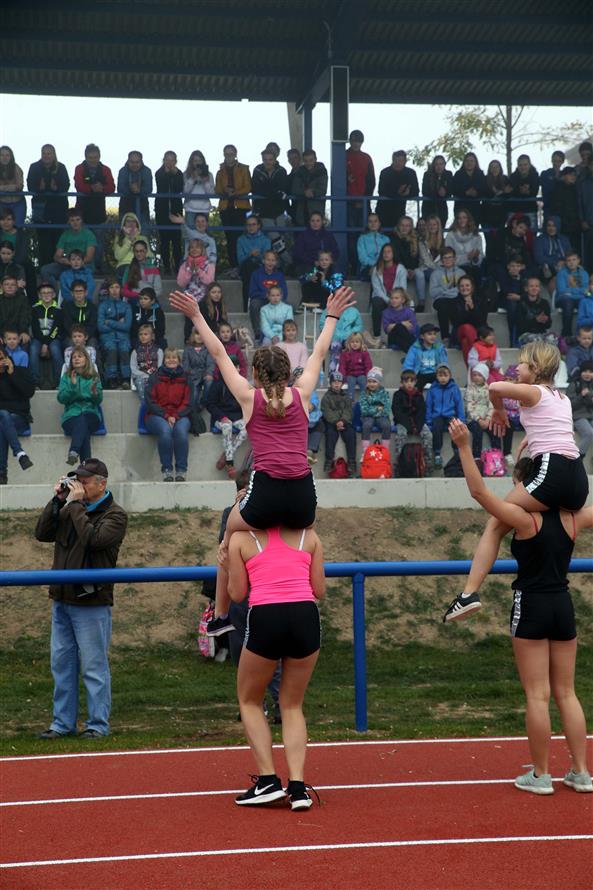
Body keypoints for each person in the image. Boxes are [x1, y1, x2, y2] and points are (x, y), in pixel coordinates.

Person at [169, 284, 355, 634]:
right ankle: (303, 595)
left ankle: (221, 615)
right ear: (288, 373)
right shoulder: (302, 395)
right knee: (302, 537)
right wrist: (331, 316)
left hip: (267, 492)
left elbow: (220, 354)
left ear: (256, 374)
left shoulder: (248, 397)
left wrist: (196, 315)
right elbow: (318, 353)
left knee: (229, 536)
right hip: (303, 498)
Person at [447, 418, 593, 796]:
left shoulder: (523, 519)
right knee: (567, 693)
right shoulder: (573, 519)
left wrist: (464, 448)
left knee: (537, 695)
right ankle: (581, 772)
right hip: (563, 604)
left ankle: (541, 775)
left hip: (531, 604)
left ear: (526, 485)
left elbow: (480, 494)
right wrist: (561, 449)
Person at [444, 340, 589, 622]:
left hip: (554, 471)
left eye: (521, 364)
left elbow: (494, 388)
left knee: (495, 525)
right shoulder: (563, 398)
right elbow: (556, 432)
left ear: (534, 368)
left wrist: (498, 410)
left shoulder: (534, 391)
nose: (516, 369)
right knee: (548, 523)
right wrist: (528, 443)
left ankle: (469, 594)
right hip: (577, 479)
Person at [228, 521, 325, 809]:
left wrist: (226, 563)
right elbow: (319, 589)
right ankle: (298, 788)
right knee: (292, 704)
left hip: (266, 615)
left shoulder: (242, 539)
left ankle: (268, 780)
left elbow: (236, 593)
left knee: (249, 700)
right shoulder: (309, 535)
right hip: (305, 616)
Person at [34, 458, 128, 739]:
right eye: (78, 480)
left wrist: (74, 506)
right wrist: (56, 501)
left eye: (85, 481)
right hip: (62, 599)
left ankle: (97, 726)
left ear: (102, 484)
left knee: (93, 667)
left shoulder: (115, 515)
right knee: (61, 666)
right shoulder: (70, 508)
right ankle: (62, 724)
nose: (80, 486)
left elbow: (93, 540)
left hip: (92, 602)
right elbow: (41, 533)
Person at [144, 347, 191, 482]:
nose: (171, 360)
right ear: (163, 360)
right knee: (165, 432)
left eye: (174, 357)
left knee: (181, 432)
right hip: (156, 415)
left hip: (181, 415)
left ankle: (181, 471)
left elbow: (188, 402)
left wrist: (175, 416)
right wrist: (166, 416)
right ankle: (167, 470)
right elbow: (150, 401)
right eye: (168, 357)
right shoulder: (155, 377)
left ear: (179, 360)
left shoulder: (186, 378)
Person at [74, 143, 115, 272]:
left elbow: (112, 188)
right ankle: (81, 267)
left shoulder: (105, 170)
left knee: (98, 244)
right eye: (90, 157)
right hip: (82, 213)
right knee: (82, 242)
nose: (93, 160)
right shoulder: (79, 169)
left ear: (99, 156)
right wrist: (92, 188)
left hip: (99, 214)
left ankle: (97, 267)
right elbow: (79, 186)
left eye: (95, 157)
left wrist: (101, 189)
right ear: (85, 157)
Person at [27, 144, 70, 266]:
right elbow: (30, 186)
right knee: (43, 243)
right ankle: (43, 269)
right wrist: (39, 188)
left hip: (58, 211)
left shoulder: (61, 167)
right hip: (41, 212)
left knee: (58, 242)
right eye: (44, 153)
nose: (46, 156)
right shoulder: (34, 167)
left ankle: (58, 269)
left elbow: (66, 185)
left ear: (54, 154)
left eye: (49, 153)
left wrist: (56, 188)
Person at [58, 346, 103, 464]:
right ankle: (86, 468)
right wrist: (72, 387)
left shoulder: (94, 377)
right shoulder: (66, 377)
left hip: (91, 415)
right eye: (74, 357)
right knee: (83, 428)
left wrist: (94, 393)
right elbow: (61, 398)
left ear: (86, 359)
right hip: (71, 417)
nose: (76, 359)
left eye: (80, 356)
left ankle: (74, 450)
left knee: (83, 418)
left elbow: (98, 400)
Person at [206, 355, 247, 479]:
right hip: (220, 418)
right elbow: (210, 404)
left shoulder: (242, 384)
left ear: (239, 368)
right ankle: (230, 463)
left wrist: (246, 416)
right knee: (227, 426)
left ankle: (227, 454)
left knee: (247, 428)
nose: (233, 369)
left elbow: (247, 403)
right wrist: (222, 416)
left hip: (237, 417)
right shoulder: (217, 384)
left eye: (236, 367)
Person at [0, 344, 34, 483]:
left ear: (7, 358)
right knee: (3, 418)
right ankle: (20, 454)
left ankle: (2, 472)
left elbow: (28, 392)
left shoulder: (20, 372)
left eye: (1, 358)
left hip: (20, 418)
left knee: (3, 417)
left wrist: (12, 373)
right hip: (4, 419)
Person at [214, 144, 251, 272]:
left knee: (239, 237)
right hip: (226, 207)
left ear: (235, 154)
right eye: (226, 154)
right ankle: (233, 265)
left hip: (240, 207)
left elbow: (248, 187)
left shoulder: (244, 169)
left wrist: (235, 192)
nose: (228, 156)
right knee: (229, 237)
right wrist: (225, 190)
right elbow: (217, 188)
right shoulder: (220, 171)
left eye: (231, 154)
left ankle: (241, 265)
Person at [41, 208, 98, 290]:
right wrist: (62, 260)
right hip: (67, 264)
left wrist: (75, 262)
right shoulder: (65, 235)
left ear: (82, 220)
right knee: (45, 270)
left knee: (78, 274)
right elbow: (57, 255)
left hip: (84, 265)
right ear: (68, 222)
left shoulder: (89, 234)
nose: (75, 223)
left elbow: (89, 258)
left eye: (78, 220)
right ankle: (54, 296)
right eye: (72, 220)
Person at [392, 369, 433, 474]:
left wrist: (417, 426)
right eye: (406, 381)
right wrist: (408, 426)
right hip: (403, 422)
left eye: (411, 381)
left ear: (415, 382)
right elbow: (397, 412)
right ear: (402, 383)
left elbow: (421, 412)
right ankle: (398, 464)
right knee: (400, 435)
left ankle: (427, 465)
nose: (409, 384)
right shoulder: (398, 395)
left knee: (428, 435)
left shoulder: (419, 395)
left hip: (417, 422)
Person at [346, 130, 376, 273]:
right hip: (348, 203)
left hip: (363, 203)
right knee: (350, 236)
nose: (356, 143)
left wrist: (365, 199)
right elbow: (337, 179)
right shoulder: (343, 155)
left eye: (359, 140)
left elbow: (371, 181)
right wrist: (347, 183)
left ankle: (364, 265)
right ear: (350, 140)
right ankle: (353, 264)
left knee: (364, 235)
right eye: (354, 140)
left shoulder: (366, 158)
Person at [425, 363, 465, 468]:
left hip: (450, 414)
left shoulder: (454, 388)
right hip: (437, 415)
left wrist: (462, 420)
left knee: (455, 426)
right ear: (436, 376)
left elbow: (459, 404)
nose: (442, 378)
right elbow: (429, 406)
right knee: (436, 427)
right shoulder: (433, 389)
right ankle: (437, 453)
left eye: (445, 375)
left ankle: (457, 451)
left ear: (450, 376)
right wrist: (428, 421)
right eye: (440, 376)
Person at [177, 238, 216, 340]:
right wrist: (190, 271)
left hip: (204, 297)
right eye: (192, 247)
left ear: (202, 249)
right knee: (189, 312)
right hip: (189, 296)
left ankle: (208, 341)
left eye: (197, 247)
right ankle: (188, 342)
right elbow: (181, 282)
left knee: (203, 307)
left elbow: (209, 281)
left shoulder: (209, 264)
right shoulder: (184, 265)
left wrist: (198, 270)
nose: (194, 249)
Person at [97, 278, 132, 389]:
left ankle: (126, 379)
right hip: (107, 336)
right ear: (108, 290)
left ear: (120, 289)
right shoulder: (103, 306)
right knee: (112, 349)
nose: (114, 290)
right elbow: (101, 327)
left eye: (117, 287)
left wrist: (110, 322)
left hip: (123, 336)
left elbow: (127, 326)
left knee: (124, 349)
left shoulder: (126, 306)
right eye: (111, 287)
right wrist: (118, 324)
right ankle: (111, 379)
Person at [321, 371, 356, 476]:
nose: (336, 384)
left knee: (350, 434)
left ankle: (351, 461)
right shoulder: (326, 397)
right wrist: (336, 421)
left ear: (342, 383)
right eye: (334, 382)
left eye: (339, 382)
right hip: (332, 423)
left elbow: (348, 410)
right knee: (330, 434)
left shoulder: (346, 396)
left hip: (344, 422)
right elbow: (327, 412)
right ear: (330, 383)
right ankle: (329, 460)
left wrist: (343, 421)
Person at [248, 250, 288, 342]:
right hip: (262, 299)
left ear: (276, 262)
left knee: (287, 305)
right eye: (268, 260)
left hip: (276, 299)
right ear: (263, 261)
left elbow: (284, 292)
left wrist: (275, 297)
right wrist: (267, 295)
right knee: (254, 304)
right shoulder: (256, 274)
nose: (270, 262)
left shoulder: (279, 275)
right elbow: (252, 292)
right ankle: (258, 333)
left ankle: (282, 333)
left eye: (273, 260)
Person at [155, 150, 184, 274]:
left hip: (176, 210)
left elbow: (179, 189)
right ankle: (166, 266)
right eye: (167, 159)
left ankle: (178, 265)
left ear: (176, 161)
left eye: (172, 160)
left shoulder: (179, 174)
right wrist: (168, 174)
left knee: (177, 241)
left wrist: (174, 174)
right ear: (163, 160)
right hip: (162, 210)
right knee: (164, 240)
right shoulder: (159, 173)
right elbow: (161, 186)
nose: (170, 163)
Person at [428, 247, 466, 343]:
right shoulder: (435, 274)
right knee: (443, 305)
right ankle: (446, 337)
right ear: (441, 260)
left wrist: (444, 291)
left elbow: (463, 290)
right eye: (445, 258)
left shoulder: (461, 273)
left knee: (456, 304)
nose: (448, 260)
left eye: (450, 257)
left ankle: (455, 336)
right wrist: (448, 288)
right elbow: (432, 293)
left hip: (455, 298)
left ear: (454, 259)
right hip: (441, 300)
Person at [369, 243, 407, 337]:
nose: (386, 254)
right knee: (376, 302)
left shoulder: (401, 269)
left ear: (393, 254)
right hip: (382, 299)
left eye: (389, 252)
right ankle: (376, 335)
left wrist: (394, 300)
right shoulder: (376, 269)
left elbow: (403, 288)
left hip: (397, 298)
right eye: (384, 252)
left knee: (403, 306)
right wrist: (388, 300)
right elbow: (377, 290)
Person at [30, 282, 64, 387]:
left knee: (55, 349)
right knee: (33, 349)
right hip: (38, 338)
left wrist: (46, 343)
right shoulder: (35, 308)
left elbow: (56, 328)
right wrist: (43, 343)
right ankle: (35, 381)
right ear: (39, 295)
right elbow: (35, 329)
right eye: (43, 293)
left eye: (49, 292)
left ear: (54, 294)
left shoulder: (58, 310)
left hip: (53, 338)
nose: (46, 295)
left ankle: (59, 381)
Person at [377, 150, 419, 230]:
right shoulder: (385, 172)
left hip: (400, 211)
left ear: (405, 161)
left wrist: (407, 193)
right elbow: (381, 191)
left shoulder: (410, 173)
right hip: (383, 210)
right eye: (395, 160)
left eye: (400, 161)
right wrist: (397, 192)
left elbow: (416, 191)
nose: (398, 163)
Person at [451, 275, 489, 361]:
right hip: (460, 332)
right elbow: (456, 322)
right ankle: (481, 354)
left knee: (465, 343)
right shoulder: (453, 302)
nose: (464, 288)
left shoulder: (481, 300)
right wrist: (465, 310)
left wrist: (473, 309)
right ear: (458, 288)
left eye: (467, 285)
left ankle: (472, 371)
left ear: (472, 287)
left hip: (478, 333)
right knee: (467, 327)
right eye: (462, 286)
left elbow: (482, 321)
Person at [402, 322, 448, 391]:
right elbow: (408, 364)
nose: (433, 337)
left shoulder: (439, 347)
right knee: (415, 387)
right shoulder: (415, 348)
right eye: (429, 334)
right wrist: (410, 377)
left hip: (435, 373)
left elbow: (444, 363)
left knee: (448, 384)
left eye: (434, 334)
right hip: (420, 374)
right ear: (422, 336)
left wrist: (443, 374)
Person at [237, 216, 271, 311]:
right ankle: (247, 307)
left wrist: (257, 256)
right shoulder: (241, 240)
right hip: (246, 269)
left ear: (259, 225)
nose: (251, 227)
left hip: (260, 267)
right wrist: (250, 254)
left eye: (253, 224)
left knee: (253, 270)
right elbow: (240, 260)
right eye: (249, 225)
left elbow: (267, 259)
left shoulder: (265, 240)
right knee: (248, 266)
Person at [390, 215, 425, 305]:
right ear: (398, 226)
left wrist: (412, 269)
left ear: (411, 227)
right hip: (400, 268)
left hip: (413, 269)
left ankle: (421, 302)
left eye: (407, 225)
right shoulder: (393, 239)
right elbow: (395, 258)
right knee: (401, 270)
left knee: (420, 274)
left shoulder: (415, 239)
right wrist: (406, 269)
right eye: (402, 225)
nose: (404, 228)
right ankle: (402, 300)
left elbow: (416, 258)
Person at [293, 212, 340, 276]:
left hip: (326, 265)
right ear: (309, 222)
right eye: (313, 221)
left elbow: (336, 252)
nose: (315, 223)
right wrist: (313, 262)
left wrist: (327, 261)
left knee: (336, 272)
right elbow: (298, 253)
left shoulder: (328, 236)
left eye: (318, 221)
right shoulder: (303, 236)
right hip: (308, 265)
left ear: (322, 222)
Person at [289, 149, 328, 227]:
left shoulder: (321, 171)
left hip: (316, 211)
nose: (308, 163)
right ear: (303, 161)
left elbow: (323, 189)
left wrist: (312, 192)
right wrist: (305, 192)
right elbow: (294, 189)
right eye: (306, 161)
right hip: (302, 211)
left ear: (315, 159)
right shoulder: (299, 171)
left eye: (311, 160)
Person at [444, 209, 483, 285]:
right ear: (456, 220)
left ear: (468, 219)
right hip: (456, 267)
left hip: (472, 267)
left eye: (464, 217)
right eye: (459, 218)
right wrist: (466, 257)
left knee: (476, 272)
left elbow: (480, 256)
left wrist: (476, 258)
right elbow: (448, 257)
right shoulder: (450, 236)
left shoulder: (476, 236)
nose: (462, 220)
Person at [555, 251, 588, 339]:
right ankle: (566, 335)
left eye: (574, 260)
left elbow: (586, 290)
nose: (571, 262)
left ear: (578, 261)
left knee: (585, 302)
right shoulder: (561, 273)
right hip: (563, 299)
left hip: (578, 298)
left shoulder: (584, 273)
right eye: (568, 260)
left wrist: (570, 292)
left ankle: (584, 335)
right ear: (566, 262)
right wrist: (580, 292)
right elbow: (562, 291)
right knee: (568, 303)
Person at [359, 367, 391, 454]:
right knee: (367, 425)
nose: (371, 384)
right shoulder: (364, 394)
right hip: (367, 417)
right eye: (369, 381)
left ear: (379, 382)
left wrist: (375, 410)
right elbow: (364, 410)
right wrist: (377, 409)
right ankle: (365, 451)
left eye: (374, 381)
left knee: (386, 425)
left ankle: (385, 451)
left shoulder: (384, 393)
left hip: (381, 416)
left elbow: (387, 409)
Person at [465, 362, 494, 457]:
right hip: (473, 420)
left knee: (495, 430)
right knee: (477, 431)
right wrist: (478, 419)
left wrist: (488, 419)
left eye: (479, 375)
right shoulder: (470, 389)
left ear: (485, 377)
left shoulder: (489, 389)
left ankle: (496, 456)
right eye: (474, 375)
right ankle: (476, 457)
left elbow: (491, 405)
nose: (476, 377)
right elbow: (469, 407)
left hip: (486, 419)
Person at [516, 277, 555, 347]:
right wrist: (536, 320)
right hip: (525, 335)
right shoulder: (520, 304)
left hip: (541, 333)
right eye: (531, 286)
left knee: (553, 339)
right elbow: (520, 326)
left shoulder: (544, 303)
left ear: (539, 288)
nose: (534, 288)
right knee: (536, 340)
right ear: (526, 289)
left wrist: (545, 320)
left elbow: (548, 325)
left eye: (536, 286)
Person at [117, 151, 153, 226]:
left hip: (143, 209)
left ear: (141, 161)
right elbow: (120, 188)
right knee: (125, 236)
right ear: (128, 160)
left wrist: (139, 190)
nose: (134, 164)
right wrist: (132, 189)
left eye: (137, 162)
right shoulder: (123, 171)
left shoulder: (147, 171)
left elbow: (149, 189)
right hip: (125, 209)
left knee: (143, 236)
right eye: (132, 162)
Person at [182, 327, 214, 409]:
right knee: (194, 396)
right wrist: (193, 373)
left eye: (202, 334)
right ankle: (196, 409)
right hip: (193, 376)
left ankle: (204, 402)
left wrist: (209, 373)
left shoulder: (208, 349)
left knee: (209, 382)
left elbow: (210, 364)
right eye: (197, 334)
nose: (199, 336)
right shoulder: (187, 349)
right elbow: (186, 366)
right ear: (193, 335)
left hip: (204, 374)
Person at [534, 216, 570, 289]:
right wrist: (556, 262)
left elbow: (570, 254)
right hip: (547, 267)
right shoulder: (540, 240)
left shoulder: (564, 239)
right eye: (549, 225)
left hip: (564, 265)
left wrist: (564, 262)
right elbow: (539, 258)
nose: (551, 228)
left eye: (554, 226)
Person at [567, 360, 593, 463]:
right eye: (585, 371)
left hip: (591, 415)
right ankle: (577, 459)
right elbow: (569, 404)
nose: (587, 374)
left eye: (590, 372)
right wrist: (581, 396)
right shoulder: (574, 384)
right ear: (581, 372)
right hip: (578, 416)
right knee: (589, 433)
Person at [122, 241, 162, 305]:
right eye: (136, 251)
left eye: (141, 251)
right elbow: (124, 288)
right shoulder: (129, 268)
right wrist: (136, 295)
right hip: (134, 299)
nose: (139, 254)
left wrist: (148, 298)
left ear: (146, 251)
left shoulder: (153, 268)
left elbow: (158, 290)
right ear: (134, 252)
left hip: (150, 300)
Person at [113, 213, 152, 280]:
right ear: (124, 224)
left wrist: (135, 239)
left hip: (140, 265)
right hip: (124, 266)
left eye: (133, 221)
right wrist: (130, 240)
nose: (131, 224)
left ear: (137, 224)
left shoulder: (143, 238)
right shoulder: (119, 238)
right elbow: (118, 256)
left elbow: (149, 255)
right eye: (128, 221)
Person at [452, 151, 487, 224]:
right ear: (464, 162)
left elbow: (484, 189)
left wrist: (476, 193)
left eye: (472, 161)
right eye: (467, 161)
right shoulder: (458, 174)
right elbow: (454, 190)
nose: (469, 163)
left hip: (475, 208)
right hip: (461, 207)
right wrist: (465, 193)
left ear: (475, 162)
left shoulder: (480, 174)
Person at [182, 150, 215, 229]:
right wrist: (192, 179)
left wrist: (205, 182)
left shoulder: (209, 175)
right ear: (191, 162)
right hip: (190, 209)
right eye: (195, 160)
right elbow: (185, 192)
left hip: (204, 209)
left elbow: (211, 193)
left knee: (203, 237)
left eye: (199, 160)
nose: (197, 163)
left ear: (203, 161)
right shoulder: (186, 174)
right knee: (190, 236)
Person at [131, 324, 163, 401]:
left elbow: (160, 368)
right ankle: (145, 405)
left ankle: (153, 405)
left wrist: (151, 376)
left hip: (155, 377)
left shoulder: (159, 351)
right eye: (140, 334)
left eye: (145, 334)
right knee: (140, 382)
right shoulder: (135, 352)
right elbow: (133, 369)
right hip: (140, 378)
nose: (143, 336)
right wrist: (145, 376)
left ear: (152, 336)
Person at [381, 286, 418, 352]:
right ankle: (411, 352)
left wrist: (393, 325)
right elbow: (387, 330)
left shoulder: (409, 312)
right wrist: (401, 323)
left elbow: (413, 330)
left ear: (403, 300)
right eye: (392, 298)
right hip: (393, 339)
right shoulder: (386, 312)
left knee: (401, 328)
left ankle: (409, 353)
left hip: (408, 337)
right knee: (399, 327)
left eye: (396, 298)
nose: (393, 300)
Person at [62, 280, 98, 346]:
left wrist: (84, 337)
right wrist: (76, 337)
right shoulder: (66, 307)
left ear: (86, 292)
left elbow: (92, 325)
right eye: (76, 291)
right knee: (70, 343)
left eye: (81, 291)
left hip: (88, 336)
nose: (78, 294)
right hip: (71, 336)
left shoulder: (92, 307)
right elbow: (67, 324)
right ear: (72, 293)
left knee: (92, 343)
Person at [338, 331, 372, 401]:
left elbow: (368, 366)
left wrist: (368, 377)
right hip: (350, 375)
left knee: (363, 381)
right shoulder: (345, 353)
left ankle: (365, 399)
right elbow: (342, 367)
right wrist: (343, 378)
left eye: (357, 342)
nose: (355, 344)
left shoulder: (364, 353)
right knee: (350, 382)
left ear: (361, 343)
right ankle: (351, 400)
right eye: (352, 342)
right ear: (349, 343)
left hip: (361, 374)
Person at [421, 155, 452, 228]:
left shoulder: (448, 174)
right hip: (428, 208)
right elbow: (424, 191)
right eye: (437, 164)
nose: (439, 166)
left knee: (440, 230)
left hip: (442, 208)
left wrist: (445, 193)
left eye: (441, 164)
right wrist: (437, 192)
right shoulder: (427, 175)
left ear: (444, 165)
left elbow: (451, 190)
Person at [356, 212, 390, 280]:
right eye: (370, 221)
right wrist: (376, 264)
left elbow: (390, 254)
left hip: (385, 265)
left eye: (375, 221)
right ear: (367, 224)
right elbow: (363, 258)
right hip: (368, 267)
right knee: (376, 271)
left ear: (379, 223)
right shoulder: (362, 238)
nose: (373, 224)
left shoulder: (386, 239)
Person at [508, 155, 540, 225]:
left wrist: (521, 192)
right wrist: (523, 192)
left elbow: (534, 192)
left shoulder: (535, 175)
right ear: (517, 166)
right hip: (514, 209)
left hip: (530, 210)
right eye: (520, 165)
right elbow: (511, 192)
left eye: (525, 165)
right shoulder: (513, 176)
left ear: (529, 165)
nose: (523, 167)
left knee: (531, 233)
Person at [0, 146, 26, 227]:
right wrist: (12, 187)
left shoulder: (17, 168)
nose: (5, 158)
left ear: (11, 157)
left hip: (18, 203)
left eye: (7, 155)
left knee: (18, 228)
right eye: (2, 155)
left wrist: (2, 188)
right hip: (2, 203)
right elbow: (15, 187)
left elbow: (19, 186)